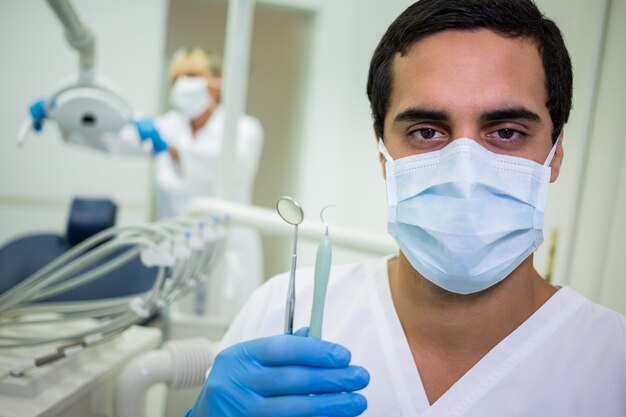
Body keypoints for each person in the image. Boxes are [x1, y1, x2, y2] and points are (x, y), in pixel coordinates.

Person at [185, 1, 626, 416]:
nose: (464, 169)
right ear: (384, 157)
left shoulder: (612, 366)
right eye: (427, 131)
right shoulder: (283, 315)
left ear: (556, 153)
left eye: (506, 132)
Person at [30, 47, 265, 320]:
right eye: (177, 78)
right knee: (178, 332)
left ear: (216, 82)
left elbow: (228, 164)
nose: (183, 84)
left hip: (228, 256)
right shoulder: (169, 126)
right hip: (181, 253)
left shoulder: (243, 128)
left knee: (223, 331)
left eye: (192, 75)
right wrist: (63, 119)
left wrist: (172, 149)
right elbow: (114, 139)